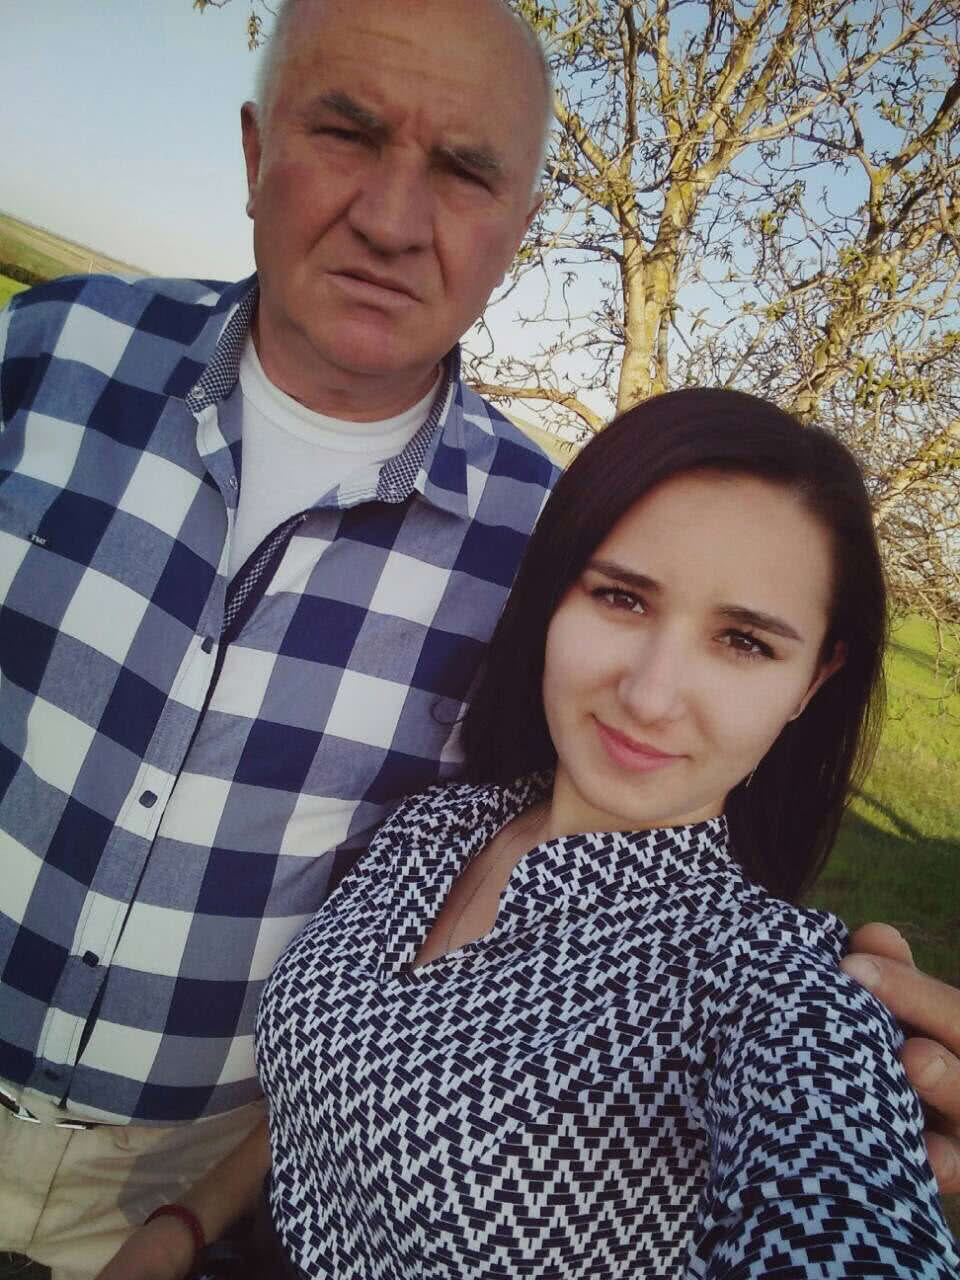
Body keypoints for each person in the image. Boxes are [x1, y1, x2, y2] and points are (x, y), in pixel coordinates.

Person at [0, 1, 957, 1276]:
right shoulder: (43, 355)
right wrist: (193, 1230)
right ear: (253, 151)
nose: (394, 220)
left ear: (520, 223)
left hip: (160, 1161)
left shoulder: (766, 987)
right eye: (347, 133)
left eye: (463, 170)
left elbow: (834, 1192)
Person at [97, 388, 959, 1280]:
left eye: (744, 642)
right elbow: (336, 1080)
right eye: (621, 598)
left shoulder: (770, 986)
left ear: (813, 681)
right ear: (554, 597)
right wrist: (184, 1226)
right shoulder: (439, 822)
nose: (650, 695)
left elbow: (842, 1214)